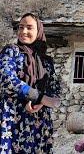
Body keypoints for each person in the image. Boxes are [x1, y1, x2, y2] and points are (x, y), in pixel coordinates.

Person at [0, 13, 61, 153]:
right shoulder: (11, 52)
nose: (23, 32)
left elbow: (55, 89)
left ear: (38, 31)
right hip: (12, 117)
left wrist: (40, 103)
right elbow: (7, 80)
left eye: (29, 28)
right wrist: (38, 96)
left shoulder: (46, 61)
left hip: (39, 121)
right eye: (20, 27)